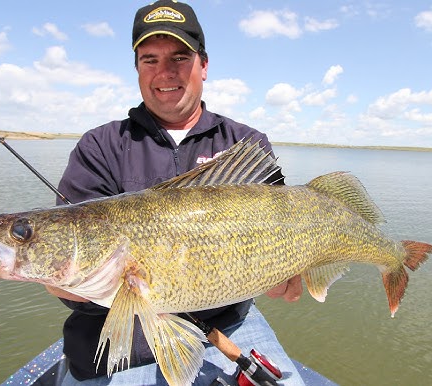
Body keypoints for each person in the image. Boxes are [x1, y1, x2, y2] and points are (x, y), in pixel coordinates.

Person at [45, 1, 305, 385]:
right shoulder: (99, 147)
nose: (164, 72)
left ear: (203, 64)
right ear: (136, 68)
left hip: (227, 328)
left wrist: (289, 273)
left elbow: (281, 238)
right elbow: (77, 278)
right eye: (149, 59)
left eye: (179, 58)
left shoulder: (244, 144)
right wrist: (63, 280)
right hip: (116, 340)